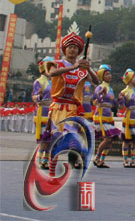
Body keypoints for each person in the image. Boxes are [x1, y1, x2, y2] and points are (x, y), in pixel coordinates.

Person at [45, 31, 100, 176]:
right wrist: (73, 67)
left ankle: (72, 161)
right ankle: (51, 171)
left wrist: (87, 67)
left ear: (79, 51)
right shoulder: (56, 64)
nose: (72, 50)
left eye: (75, 48)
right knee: (56, 140)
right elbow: (52, 73)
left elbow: (96, 82)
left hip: (73, 109)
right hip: (58, 107)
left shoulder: (81, 69)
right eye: (69, 47)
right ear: (65, 49)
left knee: (73, 138)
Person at [93, 65, 120, 168]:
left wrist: (121, 100)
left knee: (113, 138)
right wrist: (102, 95)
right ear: (101, 76)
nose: (109, 76)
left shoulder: (111, 88)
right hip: (101, 114)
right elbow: (96, 101)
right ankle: (97, 157)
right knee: (108, 138)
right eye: (106, 74)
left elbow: (114, 103)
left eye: (109, 74)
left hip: (109, 115)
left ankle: (102, 159)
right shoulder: (99, 87)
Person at [32, 57, 53, 169]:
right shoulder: (38, 81)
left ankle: (46, 160)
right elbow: (35, 98)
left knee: (51, 138)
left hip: (52, 111)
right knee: (45, 138)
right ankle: (40, 159)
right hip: (43, 111)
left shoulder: (54, 81)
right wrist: (39, 95)